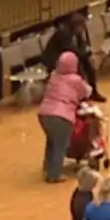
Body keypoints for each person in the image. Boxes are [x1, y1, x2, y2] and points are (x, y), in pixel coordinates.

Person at [39, 52, 91, 183]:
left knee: (51, 141)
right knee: (60, 145)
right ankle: (55, 174)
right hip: (62, 116)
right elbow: (87, 91)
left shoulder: (54, 76)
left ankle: (47, 167)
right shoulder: (75, 80)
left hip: (44, 114)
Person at [42, 13, 104, 102]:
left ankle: (93, 92)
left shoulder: (76, 32)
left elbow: (82, 45)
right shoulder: (63, 33)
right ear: (76, 25)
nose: (83, 29)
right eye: (82, 26)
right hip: (54, 59)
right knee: (78, 68)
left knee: (88, 65)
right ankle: (81, 96)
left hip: (68, 57)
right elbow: (71, 49)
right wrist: (84, 55)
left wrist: (89, 54)